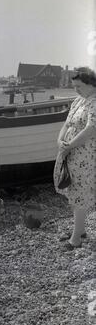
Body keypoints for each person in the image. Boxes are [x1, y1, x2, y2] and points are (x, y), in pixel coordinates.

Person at [53, 67, 96, 250]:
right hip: (70, 152)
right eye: (74, 86)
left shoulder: (94, 102)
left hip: (84, 154)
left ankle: (76, 238)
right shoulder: (79, 101)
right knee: (73, 190)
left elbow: (91, 129)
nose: (76, 90)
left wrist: (70, 145)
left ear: (91, 83)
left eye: (79, 86)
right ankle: (81, 229)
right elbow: (67, 123)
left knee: (80, 193)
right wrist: (60, 139)